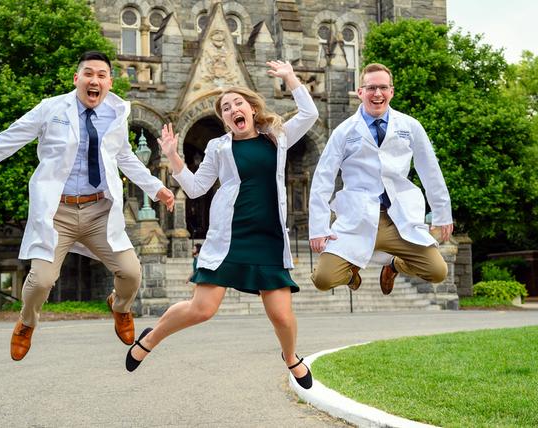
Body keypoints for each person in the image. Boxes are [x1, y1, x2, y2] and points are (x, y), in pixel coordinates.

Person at [0, 51, 175, 361]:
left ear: (110, 82)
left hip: (98, 212)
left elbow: (125, 157)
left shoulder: (116, 114)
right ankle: (26, 322)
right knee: (41, 281)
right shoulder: (51, 109)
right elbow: (7, 141)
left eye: (102, 75)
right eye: (88, 73)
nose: (95, 80)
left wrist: (157, 188)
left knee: (131, 273)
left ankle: (120, 306)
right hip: (58, 213)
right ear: (76, 79)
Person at [124, 60, 318, 390]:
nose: (231, 110)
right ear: (224, 118)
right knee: (201, 310)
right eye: (225, 108)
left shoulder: (277, 136)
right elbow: (198, 187)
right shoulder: (218, 147)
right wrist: (173, 157)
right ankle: (151, 337)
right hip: (230, 238)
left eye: (237, 103)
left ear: (252, 108)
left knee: (282, 316)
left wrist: (290, 78)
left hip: (269, 239)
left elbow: (310, 115)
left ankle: (290, 357)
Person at [308, 63, 453, 296]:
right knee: (323, 279)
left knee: (437, 271)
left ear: (392, 92)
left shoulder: (410, 126)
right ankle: (352, 270)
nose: (378, 94)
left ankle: (393, 265)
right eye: (371, 87)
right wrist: (318, 227)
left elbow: (430, 171)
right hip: (358, 219)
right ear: (360, 92)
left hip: (398, 218)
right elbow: (323, 178)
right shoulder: (344, 131)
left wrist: (442, 214)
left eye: (383, 88)